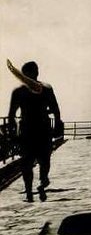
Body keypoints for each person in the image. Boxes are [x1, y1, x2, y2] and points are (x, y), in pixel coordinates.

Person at [7, 60, 62, 202]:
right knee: (45, 160)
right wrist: (56, 126)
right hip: (43, 129)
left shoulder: (18, 91)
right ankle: (42, 182)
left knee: (27, 162)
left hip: (27, 130)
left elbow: (11, 115)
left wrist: (12, 133)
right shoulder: (46, 88)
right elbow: (56, 111)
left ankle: (29, 193)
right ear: (37, 72)